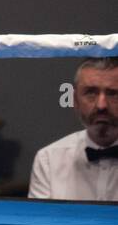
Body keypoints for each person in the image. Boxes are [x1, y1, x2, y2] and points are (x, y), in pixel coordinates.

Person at [29, 57, 118, 201]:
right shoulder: (48, 159)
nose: (101, 105)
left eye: (113, 93)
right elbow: (42, 222)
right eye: (91, 92)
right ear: (75, 100)